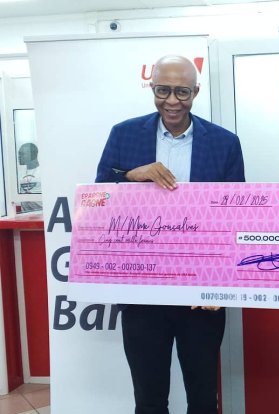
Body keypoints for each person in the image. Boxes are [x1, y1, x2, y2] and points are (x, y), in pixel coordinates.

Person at [96, 55, 245, 414]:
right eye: (163, 91)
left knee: (203, 400)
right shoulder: (124, 134)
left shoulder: (224, 142)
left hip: (201, 293)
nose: (172, 101)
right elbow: (98, 198)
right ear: (152, 88)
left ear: (196, 91)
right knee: (148, 400)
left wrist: (222, 284)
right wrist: (131, 175)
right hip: (142, 291)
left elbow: (236, 216)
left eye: (182, 92)